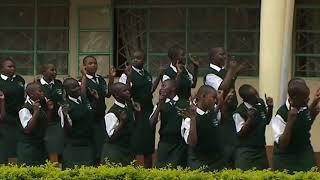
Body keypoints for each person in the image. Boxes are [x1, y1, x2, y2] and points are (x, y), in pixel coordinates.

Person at [119, 50, 162, 168]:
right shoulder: (127, 74)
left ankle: (148, 172)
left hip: (148, 112)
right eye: (133, 58)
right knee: (136, 145)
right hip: (135, 113)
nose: (135, 60)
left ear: (144, 60)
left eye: (138, 58)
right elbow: (124, 92)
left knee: (148, 146)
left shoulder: (146, 74)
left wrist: (159, 76)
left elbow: (150, 90)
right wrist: (128, 78)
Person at [271, 78, 320, 172]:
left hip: (305, 155)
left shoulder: (303, 106)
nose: (307, 100)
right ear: (294, 98)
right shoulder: (281, 114)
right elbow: (282, 143)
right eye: (305, 98)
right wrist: (290, 121)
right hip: (286, 160)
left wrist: (314, 105)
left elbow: (304, 125)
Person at [180, 85, 230, 170]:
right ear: (203, 96)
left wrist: (221, 100)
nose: (215, 101)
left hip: (217, 162)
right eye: (213, 98)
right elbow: (192, 143)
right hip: (199, 163)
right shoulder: (189, 117)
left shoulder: (213, 113)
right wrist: (193, 119)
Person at [81, 55, 116, 163]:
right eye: (90, 63)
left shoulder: (100, 79)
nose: (94, 65)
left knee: (101, 144)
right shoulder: (82, 80)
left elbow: (108, 94)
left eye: (95, 63)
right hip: (90, 117)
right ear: (84, 66)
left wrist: (111, 80)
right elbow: (82, 96)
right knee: (93, 145)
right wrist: (84, 77)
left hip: (101, 116)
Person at [233, 84, 273, 170]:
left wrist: (270, 107)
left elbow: (266, 121)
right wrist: (250, 119)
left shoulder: (260, 103)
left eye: (256, 93)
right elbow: (240, 133)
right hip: (246, 151)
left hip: (261, 150)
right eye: (253, 96)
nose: (257, 97)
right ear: (246, 99)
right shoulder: (239, 112)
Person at [150, 79, 188, 168]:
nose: (161, 89)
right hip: (165, 143)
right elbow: (151, 124)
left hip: (180, 145)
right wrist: (159, 105)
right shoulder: (160, 104)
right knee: (161, 170)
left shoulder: (185, 103)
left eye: (164, 86)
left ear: (173, 88)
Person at [101, 82, 141, 165]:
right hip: (115, 152)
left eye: (127, 90)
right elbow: (111, 137)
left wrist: (138, 113)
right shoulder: (111, 114)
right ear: (117, 95)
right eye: (124, 91)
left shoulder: (128, 106)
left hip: (127, 149)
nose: (128, 92)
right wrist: (122, 122)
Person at [60, 77, 95, 169]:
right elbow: (67, 130)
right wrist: (65, 115)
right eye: (73, 87)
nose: (78, 88)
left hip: (88, 143)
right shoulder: (65, 106)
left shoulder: (84, 98)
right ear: (67, 90)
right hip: (74, 145)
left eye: (77, 86)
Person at [17, 82, 54, 166]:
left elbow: (45, 123)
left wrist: (49, 110)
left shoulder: (40, 106)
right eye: (40, 91)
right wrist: (36, 112)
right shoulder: (25, 109)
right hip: (29, 147)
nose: (43, 93)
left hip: (40, 146)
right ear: (31, 94)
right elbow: (28, 129)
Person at [0, 57, 25, 164]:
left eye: (14, 66)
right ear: (1, 68)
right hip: (5, 117)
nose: (13, 69)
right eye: (9, 66)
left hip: (19, 117)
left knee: (18, 143)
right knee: (6, 144)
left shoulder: (19, 79)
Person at [37, 64, 64, 163]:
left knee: (58, 148)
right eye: (52, 70)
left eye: (55, 70)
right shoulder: (37, 84)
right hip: (42, 122)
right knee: (45, 150)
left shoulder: (59, 83)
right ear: (43, 72)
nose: (55, 72)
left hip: (57, 121)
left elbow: (62, 99)